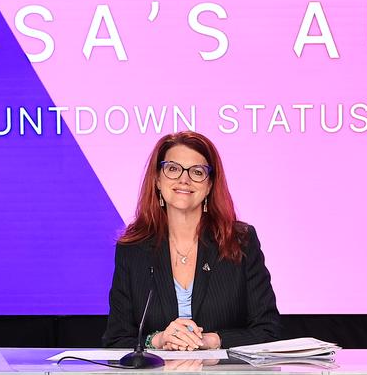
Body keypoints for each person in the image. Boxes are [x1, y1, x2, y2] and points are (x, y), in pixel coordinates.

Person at [101, 131, 280, 351]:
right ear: (157, 179)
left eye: (197, 172)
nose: (183, 179)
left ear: (210, 185)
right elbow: (115, 340)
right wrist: (157, 340)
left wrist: (211, 341)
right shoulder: (133, 248)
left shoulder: (240, 241)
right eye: (173, 169)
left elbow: (268, 331)